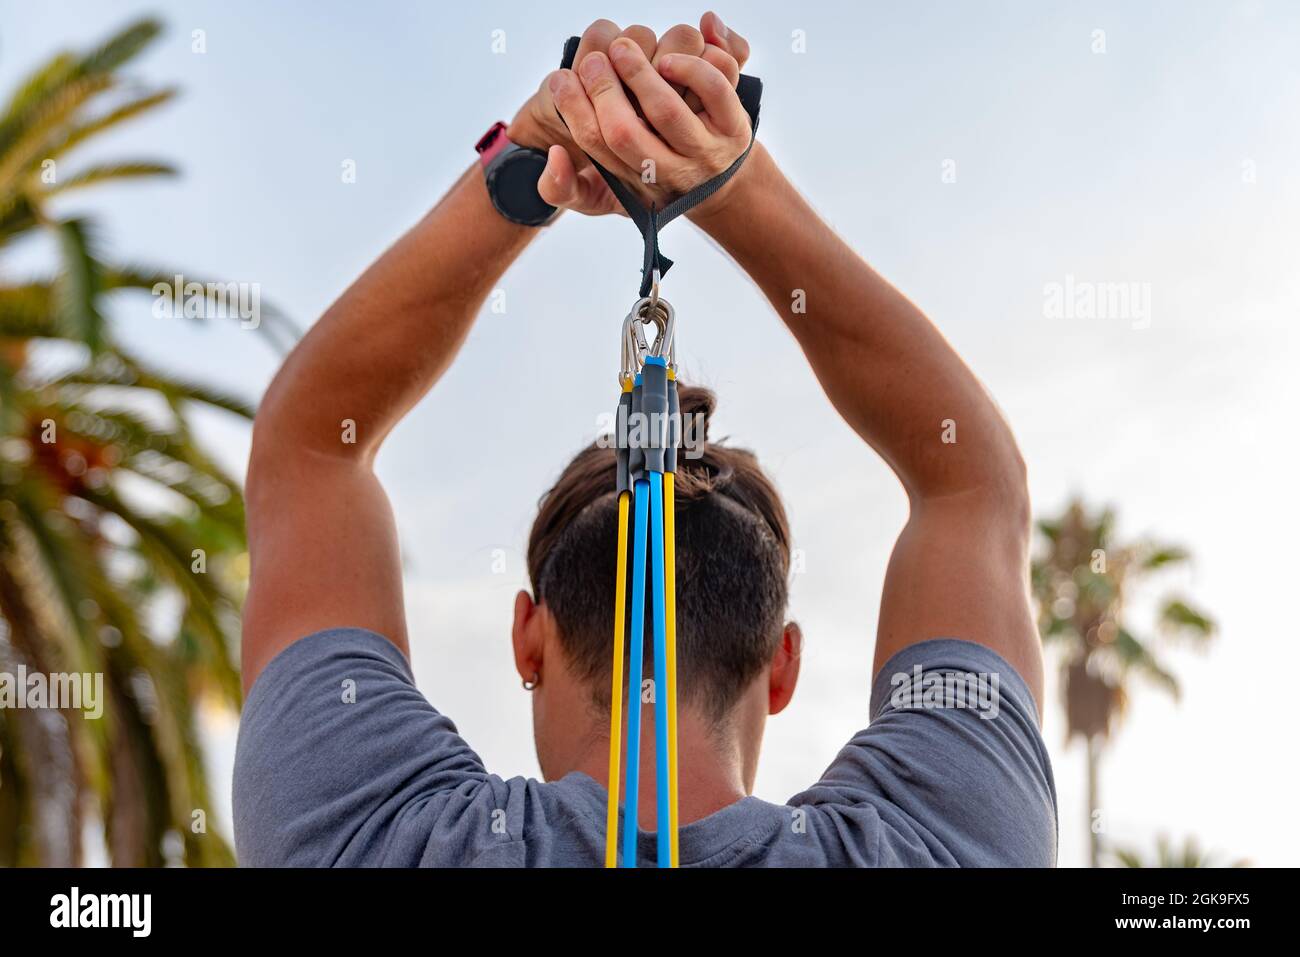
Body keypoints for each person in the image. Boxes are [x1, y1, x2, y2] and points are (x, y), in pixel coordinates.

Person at [233, 13, 1057, 867]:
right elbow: (970, 480)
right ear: (782, 668)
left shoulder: (371, 840)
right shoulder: (938, 852)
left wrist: (532, 165)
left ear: (528, 639)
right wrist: (728, 178)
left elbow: (310, 444)